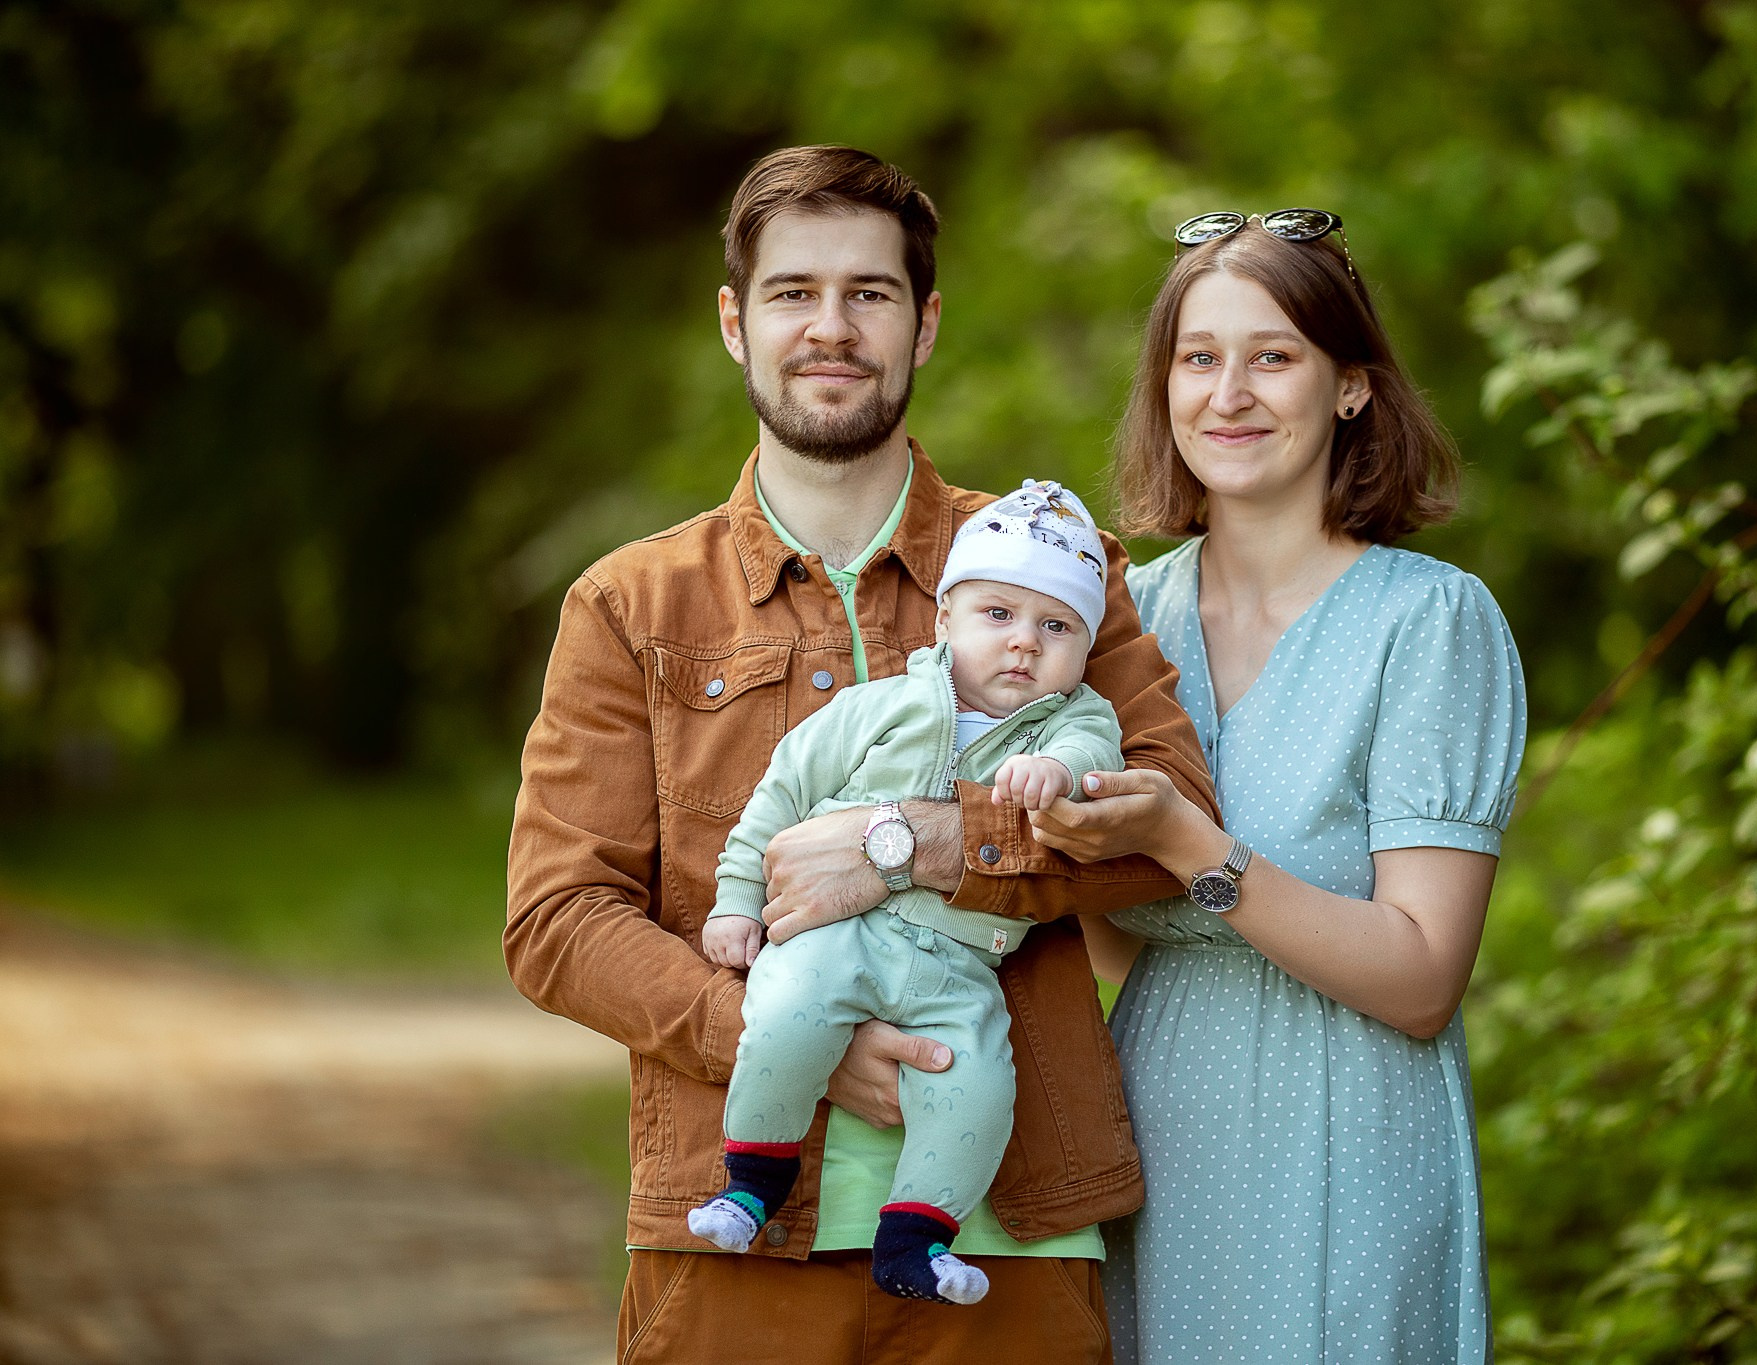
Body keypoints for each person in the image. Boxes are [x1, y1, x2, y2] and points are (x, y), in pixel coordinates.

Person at [503, 146, 1215, 1365]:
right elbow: (556, 918)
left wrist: (938, 841)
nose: (830, 328)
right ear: (735, 323)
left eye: (869, 294)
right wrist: (792, 1037)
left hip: (1011, 1241)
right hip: (732, 1244)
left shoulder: (1054, 569)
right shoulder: (631, 605)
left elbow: (1172, 827)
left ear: (923, 324)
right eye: (792, 293)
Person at [1030, 209, 1528, 1362]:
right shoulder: (1116, 618)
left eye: (1273, 356)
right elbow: (1111, 949)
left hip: (1349, 1148)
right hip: (1149, 1143)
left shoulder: (1428, 622)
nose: (1228, 393)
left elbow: (1419, 980)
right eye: (1197, 359)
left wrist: (1186, 841)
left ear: (1349, 385)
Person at [689, 480, 1126, 1309]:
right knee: (784, 1015)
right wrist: (737, 899)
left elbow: (1096, 758)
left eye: (1056, 626)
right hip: (834, 932)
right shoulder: (878, 705)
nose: (1025, 644)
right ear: (944, 622)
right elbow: (777, 798)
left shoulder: (1073, 719)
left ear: (1083, 648)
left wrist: (1059, 770)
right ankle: (751, 1181)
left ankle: (918, 1238)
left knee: (975, 1085)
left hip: (960, 963)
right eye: (998, 614)